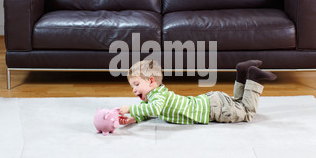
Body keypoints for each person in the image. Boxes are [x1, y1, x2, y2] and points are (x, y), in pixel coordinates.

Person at [118, 59, 276, 125]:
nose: (134, 90)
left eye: (137, 84)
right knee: (236, 103)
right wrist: (134, 118)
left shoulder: (157, 98)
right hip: (211, 102)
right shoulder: (156, 94)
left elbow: (154, 109)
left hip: (213, 109)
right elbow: (149, 110)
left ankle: (253, 77)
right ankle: (242, 72)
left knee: (246, 112)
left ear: (151, 81)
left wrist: (130, 108)